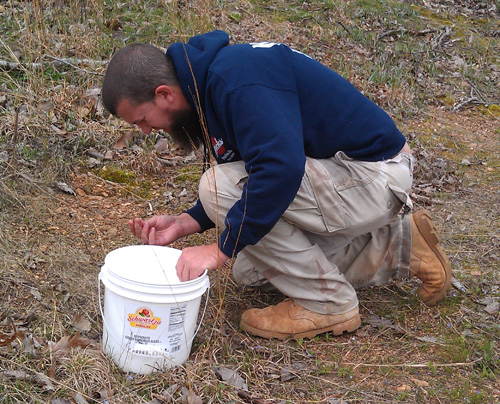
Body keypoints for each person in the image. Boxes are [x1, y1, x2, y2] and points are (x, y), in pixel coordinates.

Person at [101, 30, 452, 340]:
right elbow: (249, 173)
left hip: (377, 176)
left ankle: (329, 304)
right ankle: (400, 244)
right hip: (350, 179)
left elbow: (279, 169)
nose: (146, 131)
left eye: (142, 120)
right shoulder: (210, 83)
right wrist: (185, 222)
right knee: (251, 271)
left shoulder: (236, 80)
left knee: (217, 193)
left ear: (164, 94)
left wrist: (219, 250)